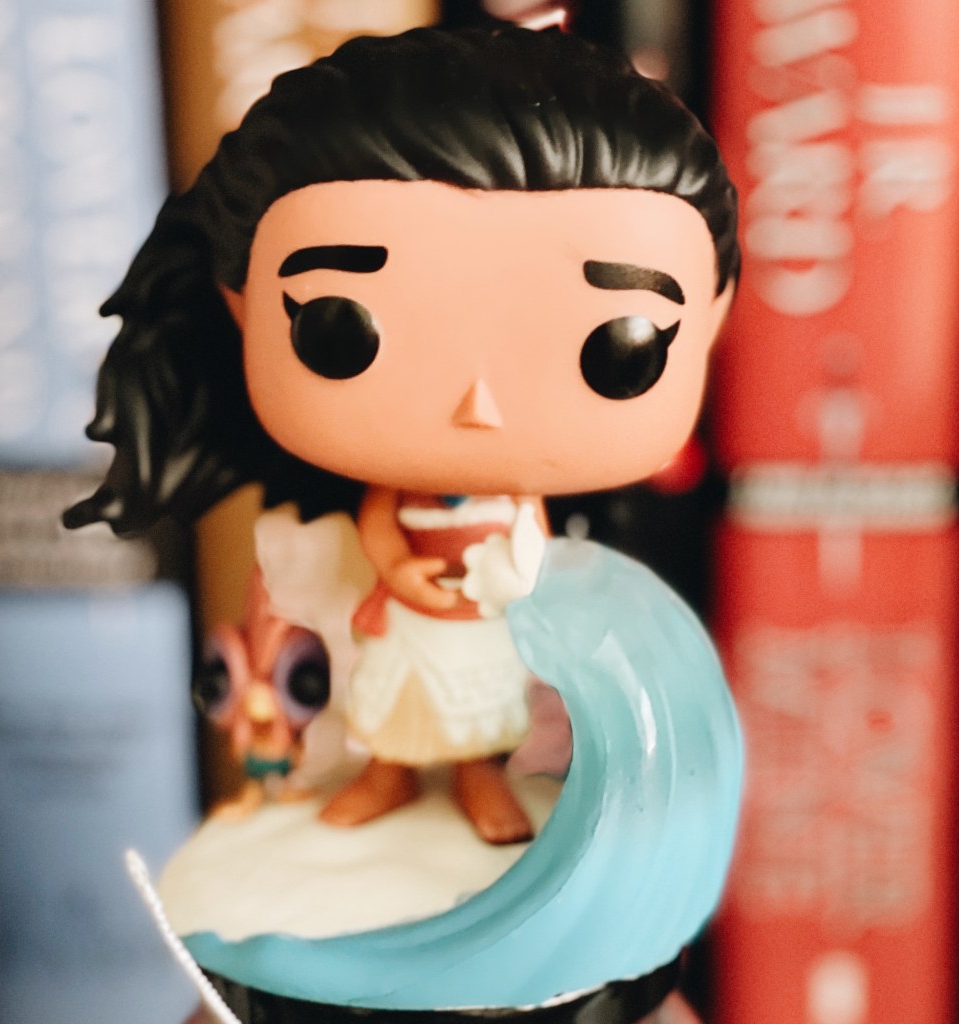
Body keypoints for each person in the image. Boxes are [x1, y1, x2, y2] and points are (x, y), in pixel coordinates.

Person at [65, 24, 739, 845]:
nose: (478, 404)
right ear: (240, 305)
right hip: (411, 619)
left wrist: (509, 586)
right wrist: (405, 576)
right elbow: (383, 531)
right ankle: (387, 777)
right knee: (392, 709)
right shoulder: (397, 497)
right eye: (336, 328)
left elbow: (529, 551)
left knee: (484, 715)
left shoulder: (519, 508)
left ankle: (479, 781)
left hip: (480, 630)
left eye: (619, 346)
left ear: (712, 318)